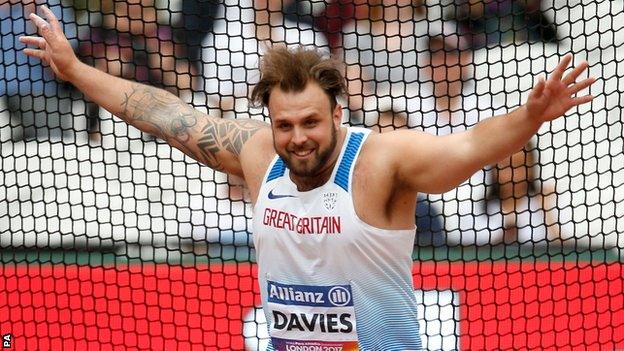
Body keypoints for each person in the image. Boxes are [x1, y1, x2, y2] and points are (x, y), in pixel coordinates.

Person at [22, 6, 595, 350]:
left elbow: (468, 147)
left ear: (338, 114)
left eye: (311, 123)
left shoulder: (380, 161)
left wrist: (530, 115)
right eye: (285, 124)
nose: (298, 137)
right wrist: (74, 70)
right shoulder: (256, 154)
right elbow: (165, 113)